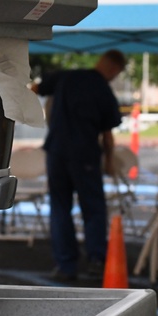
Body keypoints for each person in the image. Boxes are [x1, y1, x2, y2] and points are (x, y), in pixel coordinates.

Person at [36, 50, 127, 282]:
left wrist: (53, 116)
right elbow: (107, 135)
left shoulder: (66, 76)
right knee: (93, 207)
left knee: (59, 207)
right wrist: (109, 160)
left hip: (56, 150)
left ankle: (66, 264)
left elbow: (36, 89)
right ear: (114, 69)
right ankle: (96, 259)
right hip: (84, 152)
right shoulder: (102, 89)